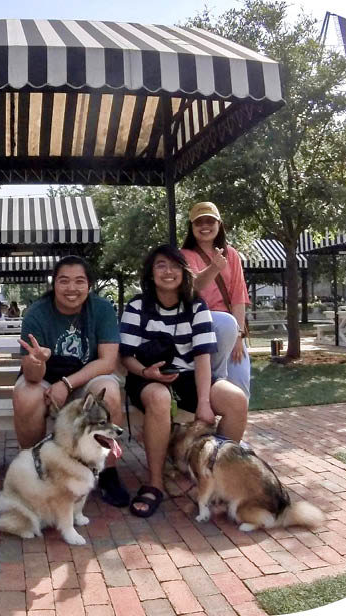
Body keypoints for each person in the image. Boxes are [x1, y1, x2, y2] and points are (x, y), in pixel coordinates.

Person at [119, 245, 249, 518]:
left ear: (184, 271)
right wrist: (147, 373)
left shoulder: (196, 305)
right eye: (161, 265)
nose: (169, 271)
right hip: (147, 376)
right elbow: (126, 356)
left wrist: (204, 402)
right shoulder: (136, 306)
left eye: (175, 265)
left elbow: (203, 356)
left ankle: (214, 478)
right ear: (150, 273)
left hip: (190, 376)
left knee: (236, 399)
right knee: (160, 397)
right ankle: (155, 483)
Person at [13, 255, 130, 507]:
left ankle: (107, 472)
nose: (72, 288)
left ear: (89, 285)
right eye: (64, 281)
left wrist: (66, 384)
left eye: (79, 281)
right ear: (53, 283)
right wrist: (37, 362)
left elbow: (108, 361)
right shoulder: (36, 313)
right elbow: (31, 376)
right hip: (46, 378)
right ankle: (35, 466)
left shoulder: (101, 309)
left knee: (109, 391)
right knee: (26, 395)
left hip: (84, 378)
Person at [180, 202, 251, 399]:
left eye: (210, 221)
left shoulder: (232, 254)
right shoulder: (184, 256)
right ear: (191, 227)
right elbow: (192, 287)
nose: (205, 226)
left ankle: (231, 429)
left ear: (219, 224)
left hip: (231, 328)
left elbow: (238, 296)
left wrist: (238, 337)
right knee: (209, 387)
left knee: (241, 389)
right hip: (200, 326)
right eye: (199, 222)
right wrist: (214, 268)